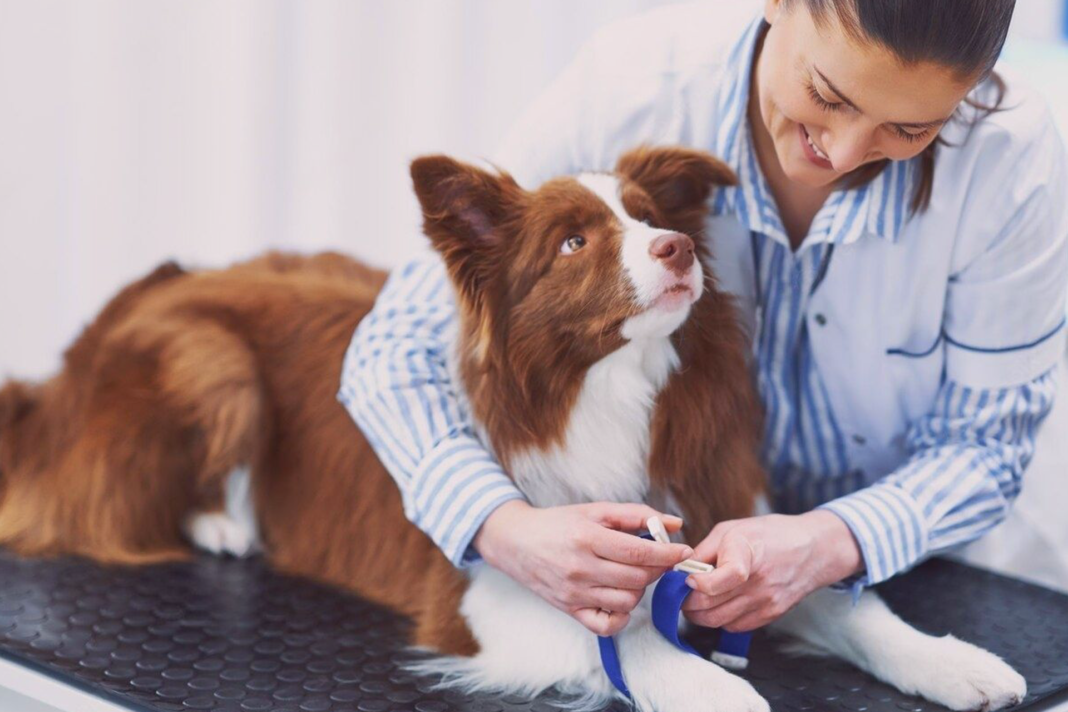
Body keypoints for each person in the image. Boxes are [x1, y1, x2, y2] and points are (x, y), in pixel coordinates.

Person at [338, 0, 1068, 637]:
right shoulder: (626, 86)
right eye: (826, 93)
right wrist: (503, 527)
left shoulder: (1010, 162)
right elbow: (390, 355)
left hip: (928, 573)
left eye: (909, 128)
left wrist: (830, 541)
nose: (844, 154)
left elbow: (983, 445)